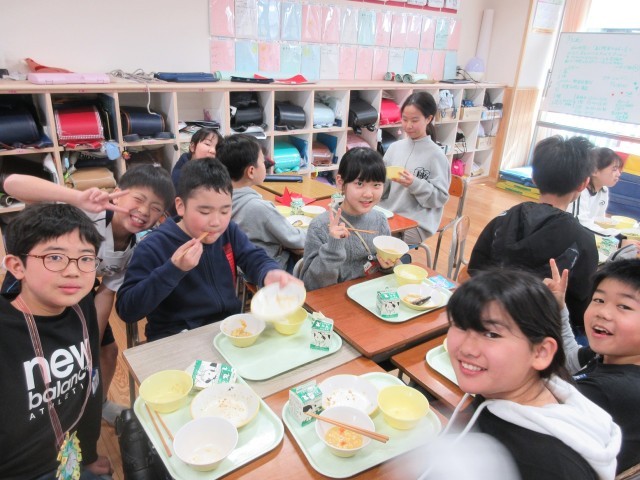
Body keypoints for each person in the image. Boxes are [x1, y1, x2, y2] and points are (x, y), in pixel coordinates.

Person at [3, 164, 175, 425]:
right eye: (138, 199)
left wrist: (90, 340)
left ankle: (97, 405)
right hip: (33, 289)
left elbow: (106, 293)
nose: (143, 211)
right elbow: (12, 184)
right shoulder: (87, 211)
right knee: (35, 366)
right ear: (117, 193)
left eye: (155, 208)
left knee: (106, 351)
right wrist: (76, 197)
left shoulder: (136, 248)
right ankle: (42, 423)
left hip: (78, 293)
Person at [443, 269, 621, 480]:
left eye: (491, 334)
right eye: (459, 325)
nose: (467, 349)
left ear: (541, 352)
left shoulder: (546, 467)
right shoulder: (516, 387)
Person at [115, 157, 300, 341]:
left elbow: (253, 257)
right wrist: (173, 269)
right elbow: (127, 310)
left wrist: (268, 272)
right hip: (177, 337)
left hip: (228, 328)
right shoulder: (153, 246)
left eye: (225, 211)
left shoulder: (228, 231)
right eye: (205, 212)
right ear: (181, 206)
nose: (216, 222)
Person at [0, 203, 111, 479]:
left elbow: (89, 386)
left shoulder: (81, 304)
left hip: (70, 458)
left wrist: (88, 454)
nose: (74, 271)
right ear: (16, 266)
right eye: (55, 257)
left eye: (86, 258)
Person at [468, 135, 599, 327]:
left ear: (534, 178)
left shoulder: (502, 220)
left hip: (488, 319)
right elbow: (579, 311)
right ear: (583, 184)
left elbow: (475, 269)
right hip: (541, 332)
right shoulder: (583, 241)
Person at [547, 258, 640, 474]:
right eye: (599, 300)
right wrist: (558, 308)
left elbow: (527, 409)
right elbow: (571, 359)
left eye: (624, 306)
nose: (603, 312)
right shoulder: (614, 355)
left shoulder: (609, 391)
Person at [300, 147, 394, 291]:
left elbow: (388, 275)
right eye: (359, 184)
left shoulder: (380, 220)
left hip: (371, 296)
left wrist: (388, 267)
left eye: (376, 185)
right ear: (340, 182)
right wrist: (332, 248)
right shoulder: (320, 226)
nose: (368, 194)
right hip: (334, 300)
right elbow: (312, 286)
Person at [217, 134, 305, 272]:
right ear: (251, 171)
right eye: (263, 161)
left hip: (241, 268)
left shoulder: (219, 198)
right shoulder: (259, 207)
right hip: (269, 269)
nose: (266, 164)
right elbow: (296, 239)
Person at [379, 91, 451, 244]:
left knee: (377, 240)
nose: (408, 125)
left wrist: (414, 183)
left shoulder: (436, 155)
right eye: (405, 119)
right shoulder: (395, 148)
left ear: (429, 119)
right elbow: (382, 186)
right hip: (389, 213)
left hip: (417, 222)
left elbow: (440, 198)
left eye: (414, 120)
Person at [567, 147, 622, 235]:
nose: (618, 174)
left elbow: (600, 221)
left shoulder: (604, 190)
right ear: (594, 171)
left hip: (589, 236)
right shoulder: (580, 190)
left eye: (619, 169)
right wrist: (617, 236)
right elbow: (579, 224)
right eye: (614, 169)